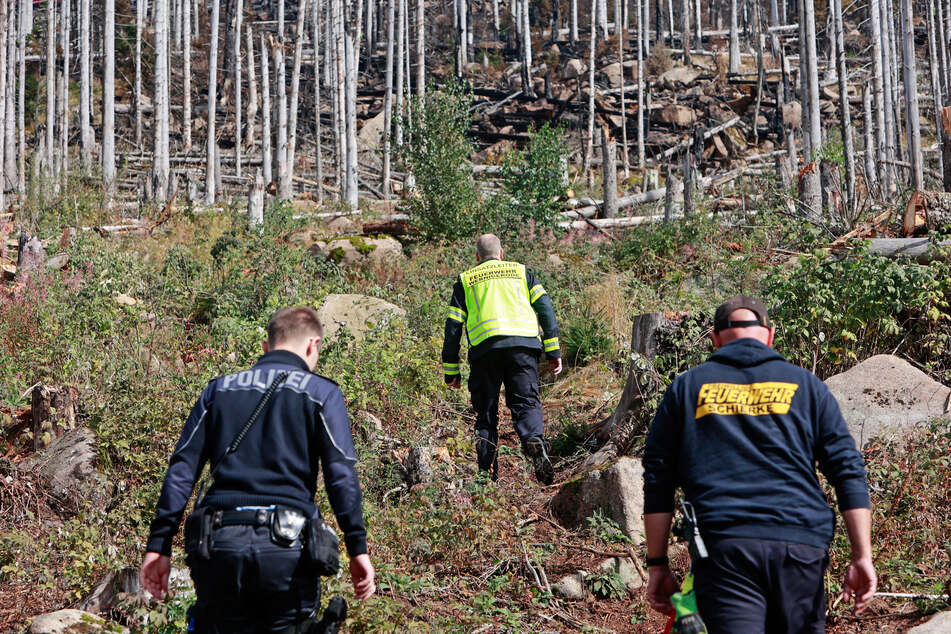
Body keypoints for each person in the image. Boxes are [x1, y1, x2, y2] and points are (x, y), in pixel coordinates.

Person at [642, 296, 877, 633]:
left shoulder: (687, 388)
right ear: (770, 334)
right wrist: (861, 556)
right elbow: (847, 469)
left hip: (725, 550)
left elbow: (658, 476)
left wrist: (657, 564)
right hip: (800, 547)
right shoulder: (807, 387)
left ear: (714, 338)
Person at [139, 306, 375, 633]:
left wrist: (158, 546)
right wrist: (357, 549)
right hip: (286, 550)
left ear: (266, 347)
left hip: (218, 544)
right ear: (313, 345)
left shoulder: (218, 390)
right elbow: (341, 475)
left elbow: (182, 469)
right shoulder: (322, 393)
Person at [442, 234, 563, 484]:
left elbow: (453, 326)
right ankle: (534, 440)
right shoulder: (521, 272)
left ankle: (486, 476)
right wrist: (553, 351)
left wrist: (451, 370)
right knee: (526, 403)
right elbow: (546, 309)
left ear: (477, 257)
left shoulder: (466, 280)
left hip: (485, 351)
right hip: (523, 348)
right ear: (501, 253)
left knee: (486, 413)